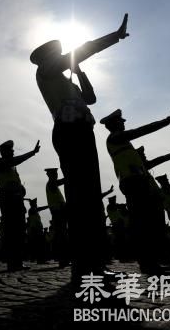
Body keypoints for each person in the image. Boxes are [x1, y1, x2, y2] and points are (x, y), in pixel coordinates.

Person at [30, 14, 129, 282]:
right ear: (46, 58)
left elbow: (91, 98)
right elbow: (80, 52)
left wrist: (80, 71)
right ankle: (83, 265)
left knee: (90, 197)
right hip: (69, 132)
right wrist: (113, 37)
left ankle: (95, 262)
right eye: (57, 54)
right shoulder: (45, 73)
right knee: (80, 198)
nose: (61, 57)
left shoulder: (66, 81)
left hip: (84, 132)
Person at [100, 106, 170, 273]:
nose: (123, 124)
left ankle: (152, 260)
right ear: (114, 124)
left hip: (139, 183)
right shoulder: (115, 138)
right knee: (143, 223)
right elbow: (142, 130)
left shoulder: (124, 143)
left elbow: (150, 163)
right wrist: (167, 121)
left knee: (149, 222)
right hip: (133, 183)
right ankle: (147, 262)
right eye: (121, 122)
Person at [0, 139, 40, 271]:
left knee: (19, 231)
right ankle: (13, 262)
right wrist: (32, 153)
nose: (13, 151)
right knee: (12, 231)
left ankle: (17, 261)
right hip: (8, 199)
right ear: (4, 152)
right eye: (10, 150)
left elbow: (14, 182)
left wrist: (21, 188)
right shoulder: (1, 163)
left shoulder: (12, 167)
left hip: (17, 199)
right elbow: (15, 161)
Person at [44, 168, 70, 267]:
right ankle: (63, 260)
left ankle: (64, 259)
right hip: (58, 213)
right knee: (62, 236)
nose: (56, 175)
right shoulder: (51, 183)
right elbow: (59, 182)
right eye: (54, 174)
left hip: (60, 213)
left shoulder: (53, 184)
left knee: (62, 235)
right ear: (50, 175)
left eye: (56, 173)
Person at [26, 198, 48, 263]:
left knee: (38, 245)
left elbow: (40, 209)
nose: (36, 204)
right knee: (39, 245)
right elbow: (39, 209)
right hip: (36, 229)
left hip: (37, 229)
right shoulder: (32, 210)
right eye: (35, 203)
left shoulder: (33, 210)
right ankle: (40, 259)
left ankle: (39, 259)